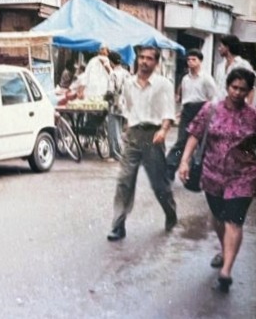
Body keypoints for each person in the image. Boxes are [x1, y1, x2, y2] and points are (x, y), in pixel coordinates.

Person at [178, 68, 256, 293]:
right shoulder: (211, 109)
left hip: (243, 176)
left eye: (243, 89)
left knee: (234, 221)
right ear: (227, 86)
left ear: (249, 91)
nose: (237, 93)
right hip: (212, 174)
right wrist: (184, 161)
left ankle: (226, 271)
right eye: (234, 87)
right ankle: (225, 250)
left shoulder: (253, 117)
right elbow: (194, 134)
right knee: (218, 219)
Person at [107, 46, 177, 241]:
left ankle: (170, 213)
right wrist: (128, 128)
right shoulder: (129, 83)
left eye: (149, 59)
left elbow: (168, 111)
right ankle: (118, 225)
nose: (144, 62)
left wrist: (163, 130)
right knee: (124, 181)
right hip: (134, 135)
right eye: (141, 58)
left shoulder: (164, 84)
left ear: (156, 63)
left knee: (159, 184)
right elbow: (128, 107)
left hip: (153, 136)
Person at [165, 49, 217, 181]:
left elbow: (214, 98)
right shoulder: (185, 79)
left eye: (194, 60)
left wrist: (208, 113)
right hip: (188, 111)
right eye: (189, 60)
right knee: (181, 141)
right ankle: (170, 167)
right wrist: (182, 110)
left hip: (202, 110)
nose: (191, 62)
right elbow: (185, 97)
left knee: (202, 143)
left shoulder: (206, 79)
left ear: (200, 61)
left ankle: (200, 173)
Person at [105, 51, 130, 160]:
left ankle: (116, 154)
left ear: (111, 62)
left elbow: (110, 91)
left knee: (113, 131)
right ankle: (120, 153)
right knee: (119, 130)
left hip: (115, 105)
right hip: (124, 105)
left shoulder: (113, 74)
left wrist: (105, 98)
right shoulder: (126, 73)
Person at [214, 34, 253, 103]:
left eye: (220, 46)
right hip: (222, 106)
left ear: (227, 47)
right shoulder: (220, 66)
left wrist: (248, 108)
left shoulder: (242, 64)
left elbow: (251, 88)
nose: (218, 49)